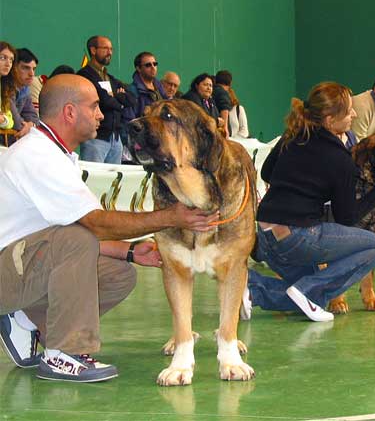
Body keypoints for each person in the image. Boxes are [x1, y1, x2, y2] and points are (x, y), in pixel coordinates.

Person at [0, 74, 219, 383]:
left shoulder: (58, 155)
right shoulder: (38, 156)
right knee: (75, 237)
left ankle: (28, 320)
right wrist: (171, 216)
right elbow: (93, 225)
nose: (101, 115)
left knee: (119, 274)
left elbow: (69, 236)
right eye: (94, 107)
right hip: (6, 272)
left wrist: (129, 252)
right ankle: (65, 353)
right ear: (70, 112)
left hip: (20, 266)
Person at [242, 82, 375, 322]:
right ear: (330, 121)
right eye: (349, 111)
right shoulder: (340, 158)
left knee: (317, 298)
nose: (354, 114)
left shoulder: (294, 134)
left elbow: (267, 173)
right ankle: (300, 290)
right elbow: (347, 219)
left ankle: (249, 286)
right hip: (296, 238)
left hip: (266, 235)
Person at [77, 35, 135, 163]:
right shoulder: (85, 75)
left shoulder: (110, 78)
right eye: (105, 48)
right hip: (96, 138)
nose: (110, 52)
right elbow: (103, 100)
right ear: (93, 50)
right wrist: (120, 104)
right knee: (94, 180)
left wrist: (116, 97)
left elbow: (131, 99)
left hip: (115, 138)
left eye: (111, 49)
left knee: (114, 181)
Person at [9, 48, 40, 142]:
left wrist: (31, 125)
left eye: (34, 69)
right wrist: (29, 127)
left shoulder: (25, 89)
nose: (32, 74)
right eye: (26, 68)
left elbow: (35, 119)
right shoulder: (5, 87)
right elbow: (16, 124)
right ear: (13, 68)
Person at [125, 51, 167, 119]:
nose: (153, 67)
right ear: (138, 68)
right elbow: (130, 121)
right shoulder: (132, 91)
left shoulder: (160, 87)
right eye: (148, 65)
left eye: (155, 64)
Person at [0, 41, 16, 131]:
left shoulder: (4, 86)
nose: (8, 64)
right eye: (3, 58)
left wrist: (3, 120)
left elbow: (11, 122)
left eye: (11, 60)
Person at [213, 70, 233, 138]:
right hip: (220, 131)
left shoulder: (212, 91)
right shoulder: (223, 93)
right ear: (230, 83)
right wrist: (225, 128)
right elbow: (224, 108)